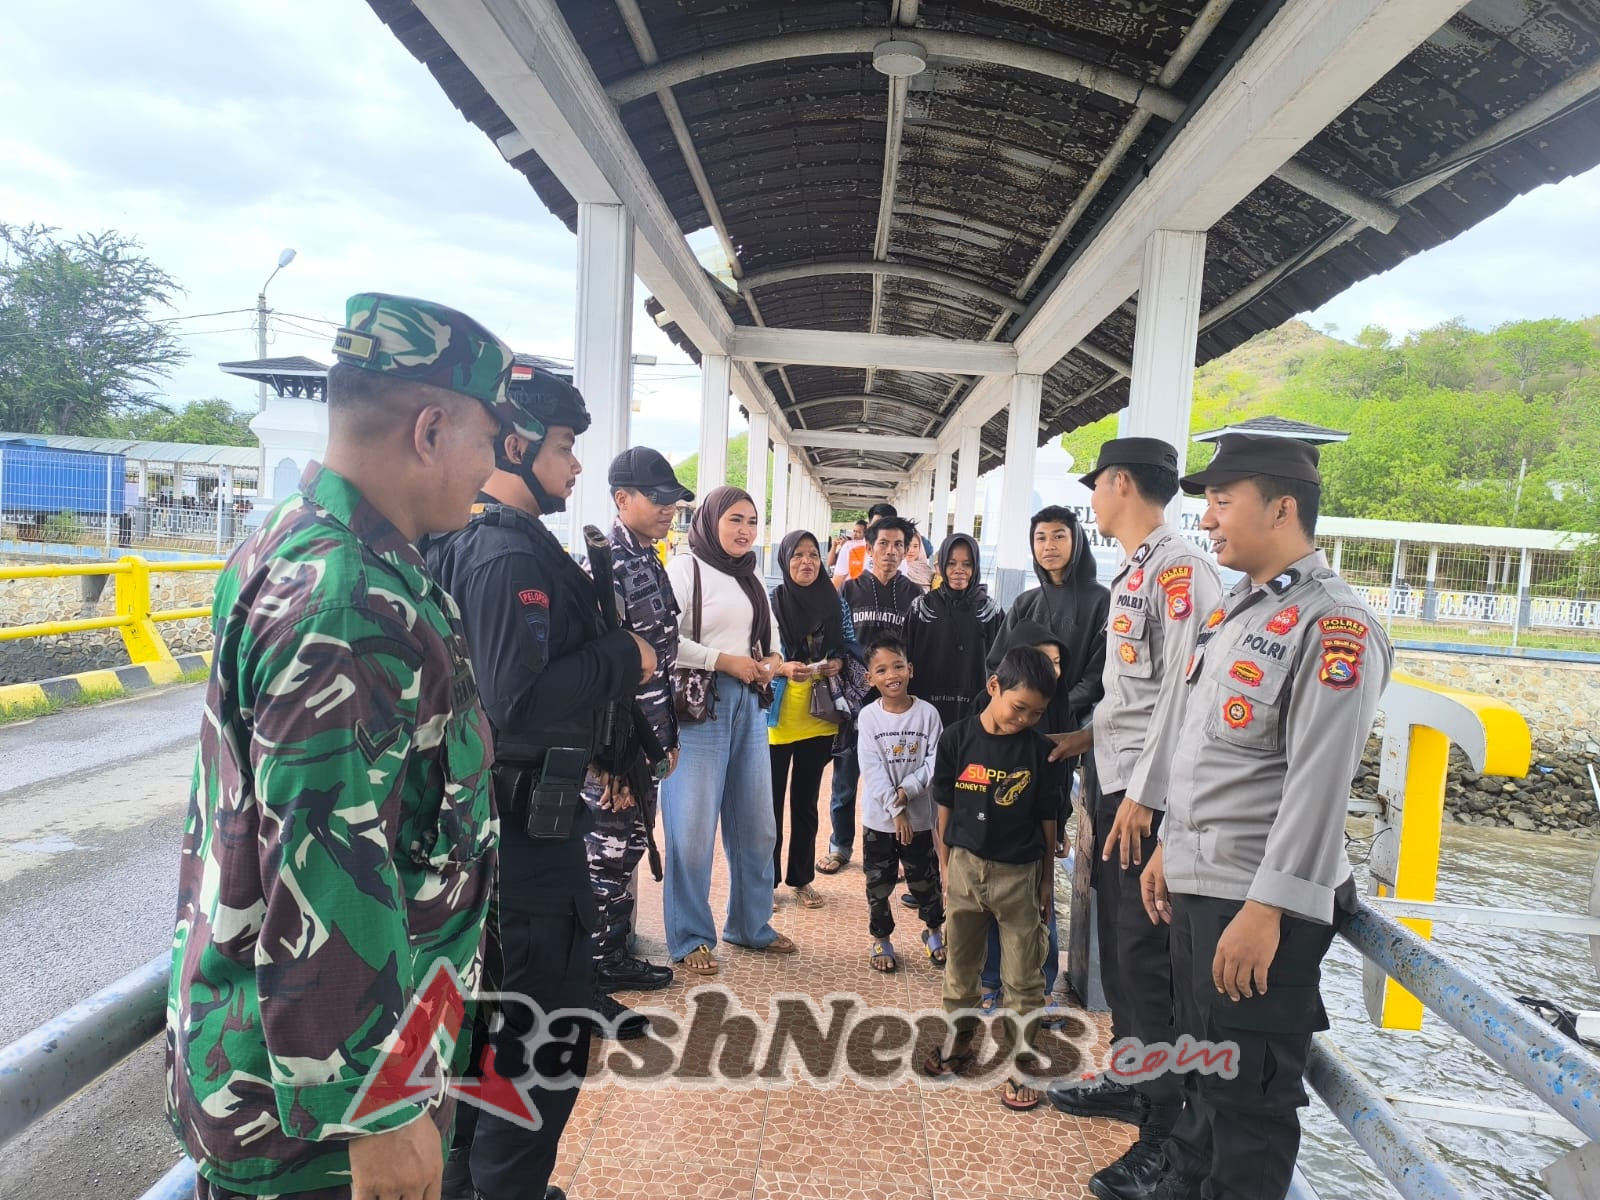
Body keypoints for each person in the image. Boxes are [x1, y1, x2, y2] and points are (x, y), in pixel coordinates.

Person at [167, 294, 522, 1200]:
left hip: (343, 1076)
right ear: (432, 429)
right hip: (321, 1132)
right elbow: (323, 867)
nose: (491, 468)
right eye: (489, 439)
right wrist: (380, 1116)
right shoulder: (345, 600)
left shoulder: (306, 547)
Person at [1129, 434, 1393, 1200]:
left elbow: (1318, 783)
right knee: (1203, 1074)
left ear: (1282, 507)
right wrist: (1167, 851)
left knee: (1249, 1103)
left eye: (1222, 500)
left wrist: (1268, 906)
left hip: (1256, 903)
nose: (1207, 519)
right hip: (1201, 885)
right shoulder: (1238, 610)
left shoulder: (1332, 624)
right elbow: (1204, 753)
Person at [426, 365, 656, 1200]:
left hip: (517, 840)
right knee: (531, 1058)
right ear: (517, 447)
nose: (575, 465)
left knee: (493, 1050)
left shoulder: (489, 542)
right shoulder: (501, 553)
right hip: (519, 849)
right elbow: (516, 701)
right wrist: (623, 658)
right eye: (563, 447)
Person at [1047, 439, 1224, 1200]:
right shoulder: (1140, 568)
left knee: (1147, 961)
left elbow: (1185, 699)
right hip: (1116, 785)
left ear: (1120, 484)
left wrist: (1145, 800)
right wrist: (1088, 742)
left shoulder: (1183, 571)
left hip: (1146, 801)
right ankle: (1133, 1078)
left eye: (1096, 487)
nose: (1092, 500)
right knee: (1122, 952)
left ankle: (1163, 1127)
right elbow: (1133, 699)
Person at [923, 646, 1066, 1113]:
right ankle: (958, 1042)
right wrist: (945, 865)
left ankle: (1023, 1061)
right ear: (994, 688)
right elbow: (943, 805)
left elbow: (1048, 818)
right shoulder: (957, 739)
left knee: (1023, 978)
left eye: (1037, 713)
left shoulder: (1040, 751)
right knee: (960, 968)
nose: (1025, 719)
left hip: (1019, 874)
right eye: (1018, 707)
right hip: (965, 867)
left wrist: (1046, 880)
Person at [661, 486, 795, 975]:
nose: (744, 530)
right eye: (735, 519)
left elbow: (772, 639)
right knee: (692, 827)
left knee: (757, 824)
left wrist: (772, 662)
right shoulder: (685, 569)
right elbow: (663, 643)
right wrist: (725, 661)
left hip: (749, 707)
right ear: (710, 520)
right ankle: (690, 935)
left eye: (752, 522)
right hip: (700, 707)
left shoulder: (750, 577)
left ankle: (750, 924)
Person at [587, 446, 696, 997]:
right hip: (618, 742)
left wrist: (665, 739)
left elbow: (661, 662)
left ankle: (613, 947)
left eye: (673, 500)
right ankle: (599, 961)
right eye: (658, 499)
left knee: (628, 844)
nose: (668, 508)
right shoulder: (605, 567)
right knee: (608, 852)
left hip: (648, 734)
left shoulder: (647, 558)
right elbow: (601, 670)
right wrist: (608, 759)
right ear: (622, 498)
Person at [818, 514, 925, 875]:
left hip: (897, 704)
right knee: (845, 777)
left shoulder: (914, 596)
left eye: (900, 545)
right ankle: (840, 845)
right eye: (884, 544)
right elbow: (833, 638)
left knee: (898, 777)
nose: (891, 552)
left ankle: (894, 851)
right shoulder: (849, 590)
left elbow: (918, 648)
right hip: (855, 701)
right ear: (869, 547)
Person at [768, 528, 856, 909]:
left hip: (819, 714)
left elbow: (850, 644)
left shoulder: (835, 601)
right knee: (768, 804)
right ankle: (765, 881)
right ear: (785, 560)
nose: (806, 562)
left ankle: (801, 878)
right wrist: (783, 668)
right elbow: (760, 650)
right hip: (778, 716)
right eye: (798, 555)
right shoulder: (772, 602)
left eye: (813, 555)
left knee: (805, 802)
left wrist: (838, 661)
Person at [856, 636, 944, 971]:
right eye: (881, 669)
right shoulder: (868, 718)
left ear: (911, 669)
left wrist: (906, 794)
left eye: (897, 666)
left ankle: (934, 931)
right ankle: (881, 939)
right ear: (870, 678)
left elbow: (934, 762)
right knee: (878, 883)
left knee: (925, 879)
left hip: (919, 819)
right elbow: (872, 769)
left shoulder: (928, 714)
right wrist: (895, 810)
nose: (891, 674)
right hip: (880, 821)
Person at [904, 533, 1005, 729]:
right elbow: (905, 656)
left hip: (977, 712)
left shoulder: (991, 612)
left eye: (967, 564)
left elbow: (1004, 664)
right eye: (951, 563)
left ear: (975, 567)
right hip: (927, 710)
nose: (959, 570)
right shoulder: (921, 607)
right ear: (941, 566)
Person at [829, 518, 869, 586]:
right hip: (843, 587)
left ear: (865, 534)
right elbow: (830, 562)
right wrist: (834, 546)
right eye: (854, 531)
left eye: (859, 532)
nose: (855, 534)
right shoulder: (847, 545)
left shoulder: (867, 548)